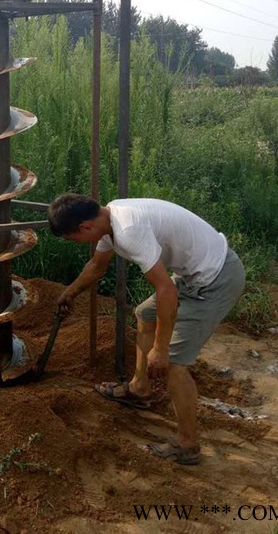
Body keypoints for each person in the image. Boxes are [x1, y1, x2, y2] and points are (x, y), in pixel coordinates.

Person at [48, 194, 246, 466]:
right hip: (193, 276)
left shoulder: (129, 231)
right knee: (145, 313)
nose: (76, 243)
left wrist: (160, 349)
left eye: (73, 239)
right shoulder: (109, 219)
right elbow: (96, 265)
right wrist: (69, 293)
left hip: (216, 279)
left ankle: (187, 444)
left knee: (174, 363)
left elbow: (165, 289)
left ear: (85, 227)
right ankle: (140, 388)